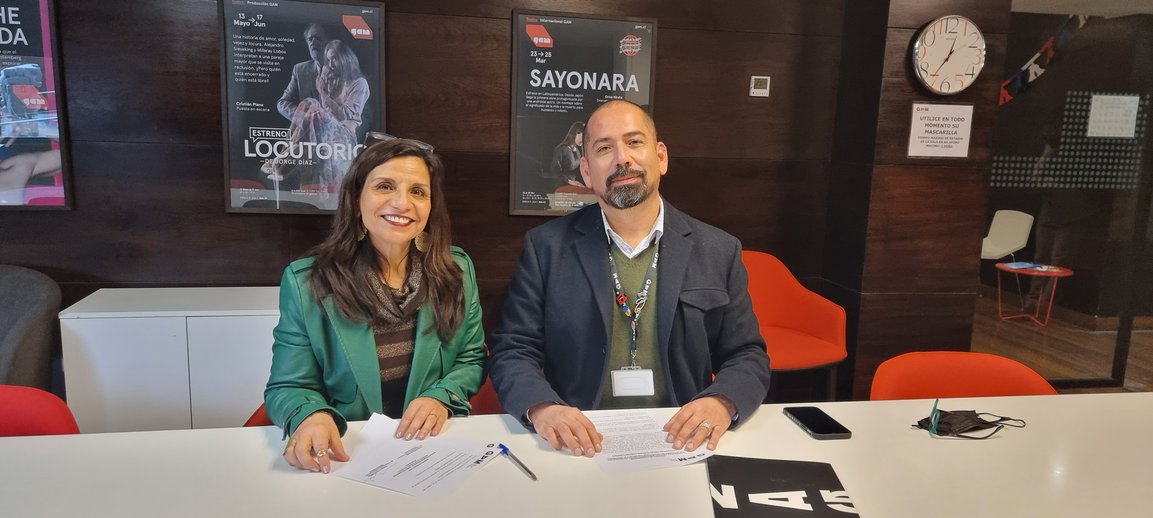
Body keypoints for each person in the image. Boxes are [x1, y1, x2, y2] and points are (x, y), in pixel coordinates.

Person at [489, 100, 771, 458]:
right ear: (587, 171)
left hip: (681, 438)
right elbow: (513, 349)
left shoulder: (718, 249)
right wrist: (544, 408)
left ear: (661, 157)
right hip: (579, 441)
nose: (622, 158)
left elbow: (747, 354)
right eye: (604, 148)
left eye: (634, 142)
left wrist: (722, 401)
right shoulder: (546, 248)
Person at [265, 137, 486, 474]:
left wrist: (441, 397)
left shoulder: (457, 271)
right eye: (385, 186)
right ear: (356, 200)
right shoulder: (306, 282)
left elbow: (470, 360)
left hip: (431, 449)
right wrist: (311, 415)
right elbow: (289, 386)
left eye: (418, 192)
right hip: (349, 451)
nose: (402, 203)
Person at [269, 38, 369, 201]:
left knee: (313, 105)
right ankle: (286, 158)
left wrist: (323, 93)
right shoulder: (333, 78)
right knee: (309, 103)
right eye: (328, 60)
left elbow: (343, 115)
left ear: (345, 58)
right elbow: (325, 112)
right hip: (326, 129)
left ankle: (284, 159)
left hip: (344, 134)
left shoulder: (359, 83)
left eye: (334, 58)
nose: (330, 64)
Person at [549, 121, 585, 188]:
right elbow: (555, 171)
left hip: (574, 183)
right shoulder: (561, 149)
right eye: (582, 136)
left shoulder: (577, 150)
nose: (583, 140)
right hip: (561, 184)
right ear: (575, 133)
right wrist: (569, 181)